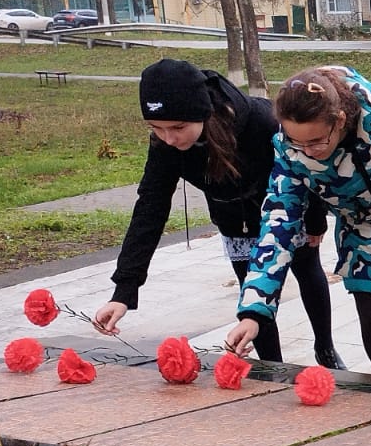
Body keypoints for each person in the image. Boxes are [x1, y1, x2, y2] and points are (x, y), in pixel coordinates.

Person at [94, 58, 340, 368]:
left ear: (203, 112)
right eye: (156, 128)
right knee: (251, 291)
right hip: (232, 217)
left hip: (285, 211)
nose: (168, 138)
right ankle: (272, 368)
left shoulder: (260, 122)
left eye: (177, 128)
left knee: (307, 270)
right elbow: (150, 208)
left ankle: (325, 348)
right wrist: (123, 291)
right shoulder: (166, 145)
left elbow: (306, 170)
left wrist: (316, 220)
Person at [225, 67, 371, 379]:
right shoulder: (290, 153)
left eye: (316, 141)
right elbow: (277, 226)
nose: (308, 152)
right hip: (364, 239)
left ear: (338, 120)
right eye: (297, 142)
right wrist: (254, 312)